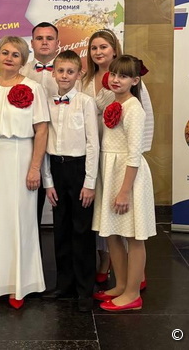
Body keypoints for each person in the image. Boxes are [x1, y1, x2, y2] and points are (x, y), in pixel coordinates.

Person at [0, 36, 49, 309]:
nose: (9, 58)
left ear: (23, 60)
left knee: (20, 220)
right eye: (4, 52)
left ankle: (20, 284)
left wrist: (35, 168)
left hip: (20, 155)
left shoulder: (33, 88)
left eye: (15, 54)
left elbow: (41, 130)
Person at [81, 29, 154, 286]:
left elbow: (141, 127)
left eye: (103, 47)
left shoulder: (132, 98)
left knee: (130, 228)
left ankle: (134, 282)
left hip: (124, 162)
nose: (98, 52)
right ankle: (118, 278)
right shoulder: (89, 81)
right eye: (94, 48)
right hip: (103, 157)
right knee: (109, 224)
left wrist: (137, 157)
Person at [92, 55, 156, 312]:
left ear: (135, 80)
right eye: (114, 74)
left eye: (124, 76)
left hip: (128, 176)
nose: (116, 80)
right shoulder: (112, 102)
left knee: (133, 236)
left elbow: (134, 153)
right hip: (110, 173)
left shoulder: (134, 108)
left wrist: (125, 191)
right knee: (112, 234)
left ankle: (132, 293)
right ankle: (120, 285)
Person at [41, 50, 99, 313]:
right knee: (61, 228)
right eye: (61, 71)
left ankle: (85, 289)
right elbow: (44, 142)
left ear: (79, 74)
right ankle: (64, 285)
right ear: (54, 73)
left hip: (79, 169)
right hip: (56, 168)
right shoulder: (47, 102)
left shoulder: (86, 102)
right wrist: (48, 181)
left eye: (70, 71)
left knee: (81, 230)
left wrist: (89, 182)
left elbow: (93, 143)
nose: (65, 76)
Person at [20, 22, 61, 229]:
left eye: (49, 38)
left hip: (60, 149)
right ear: (32, 43)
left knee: (63, 209)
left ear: (57, 43)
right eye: (39, 38)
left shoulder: (71, 74)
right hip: (30, 147)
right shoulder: (20, 73)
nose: (44, 42)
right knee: (29, 208)